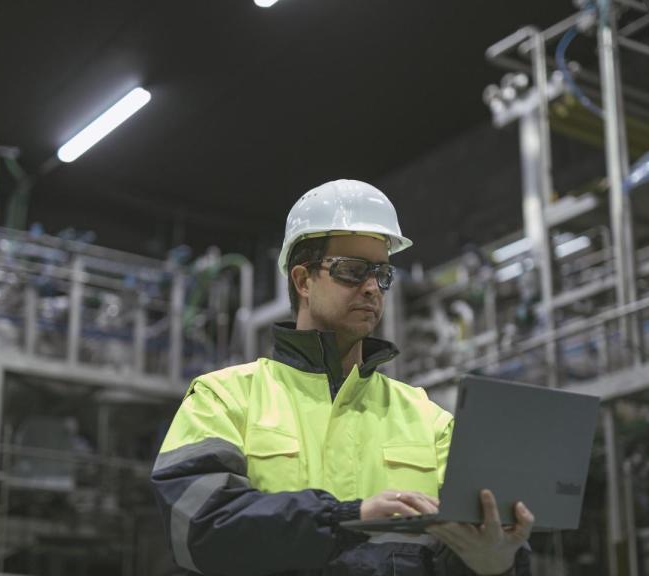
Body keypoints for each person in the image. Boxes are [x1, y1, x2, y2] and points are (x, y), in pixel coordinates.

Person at [151, 179, 533, 575]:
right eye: (352, 270)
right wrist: (346, 518)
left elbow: (465, 542)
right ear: (303, 280)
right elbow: (199, 526)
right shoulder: (224, 398)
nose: (372, 288)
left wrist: (498, 563)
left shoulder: (429, 421)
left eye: (382, 274)